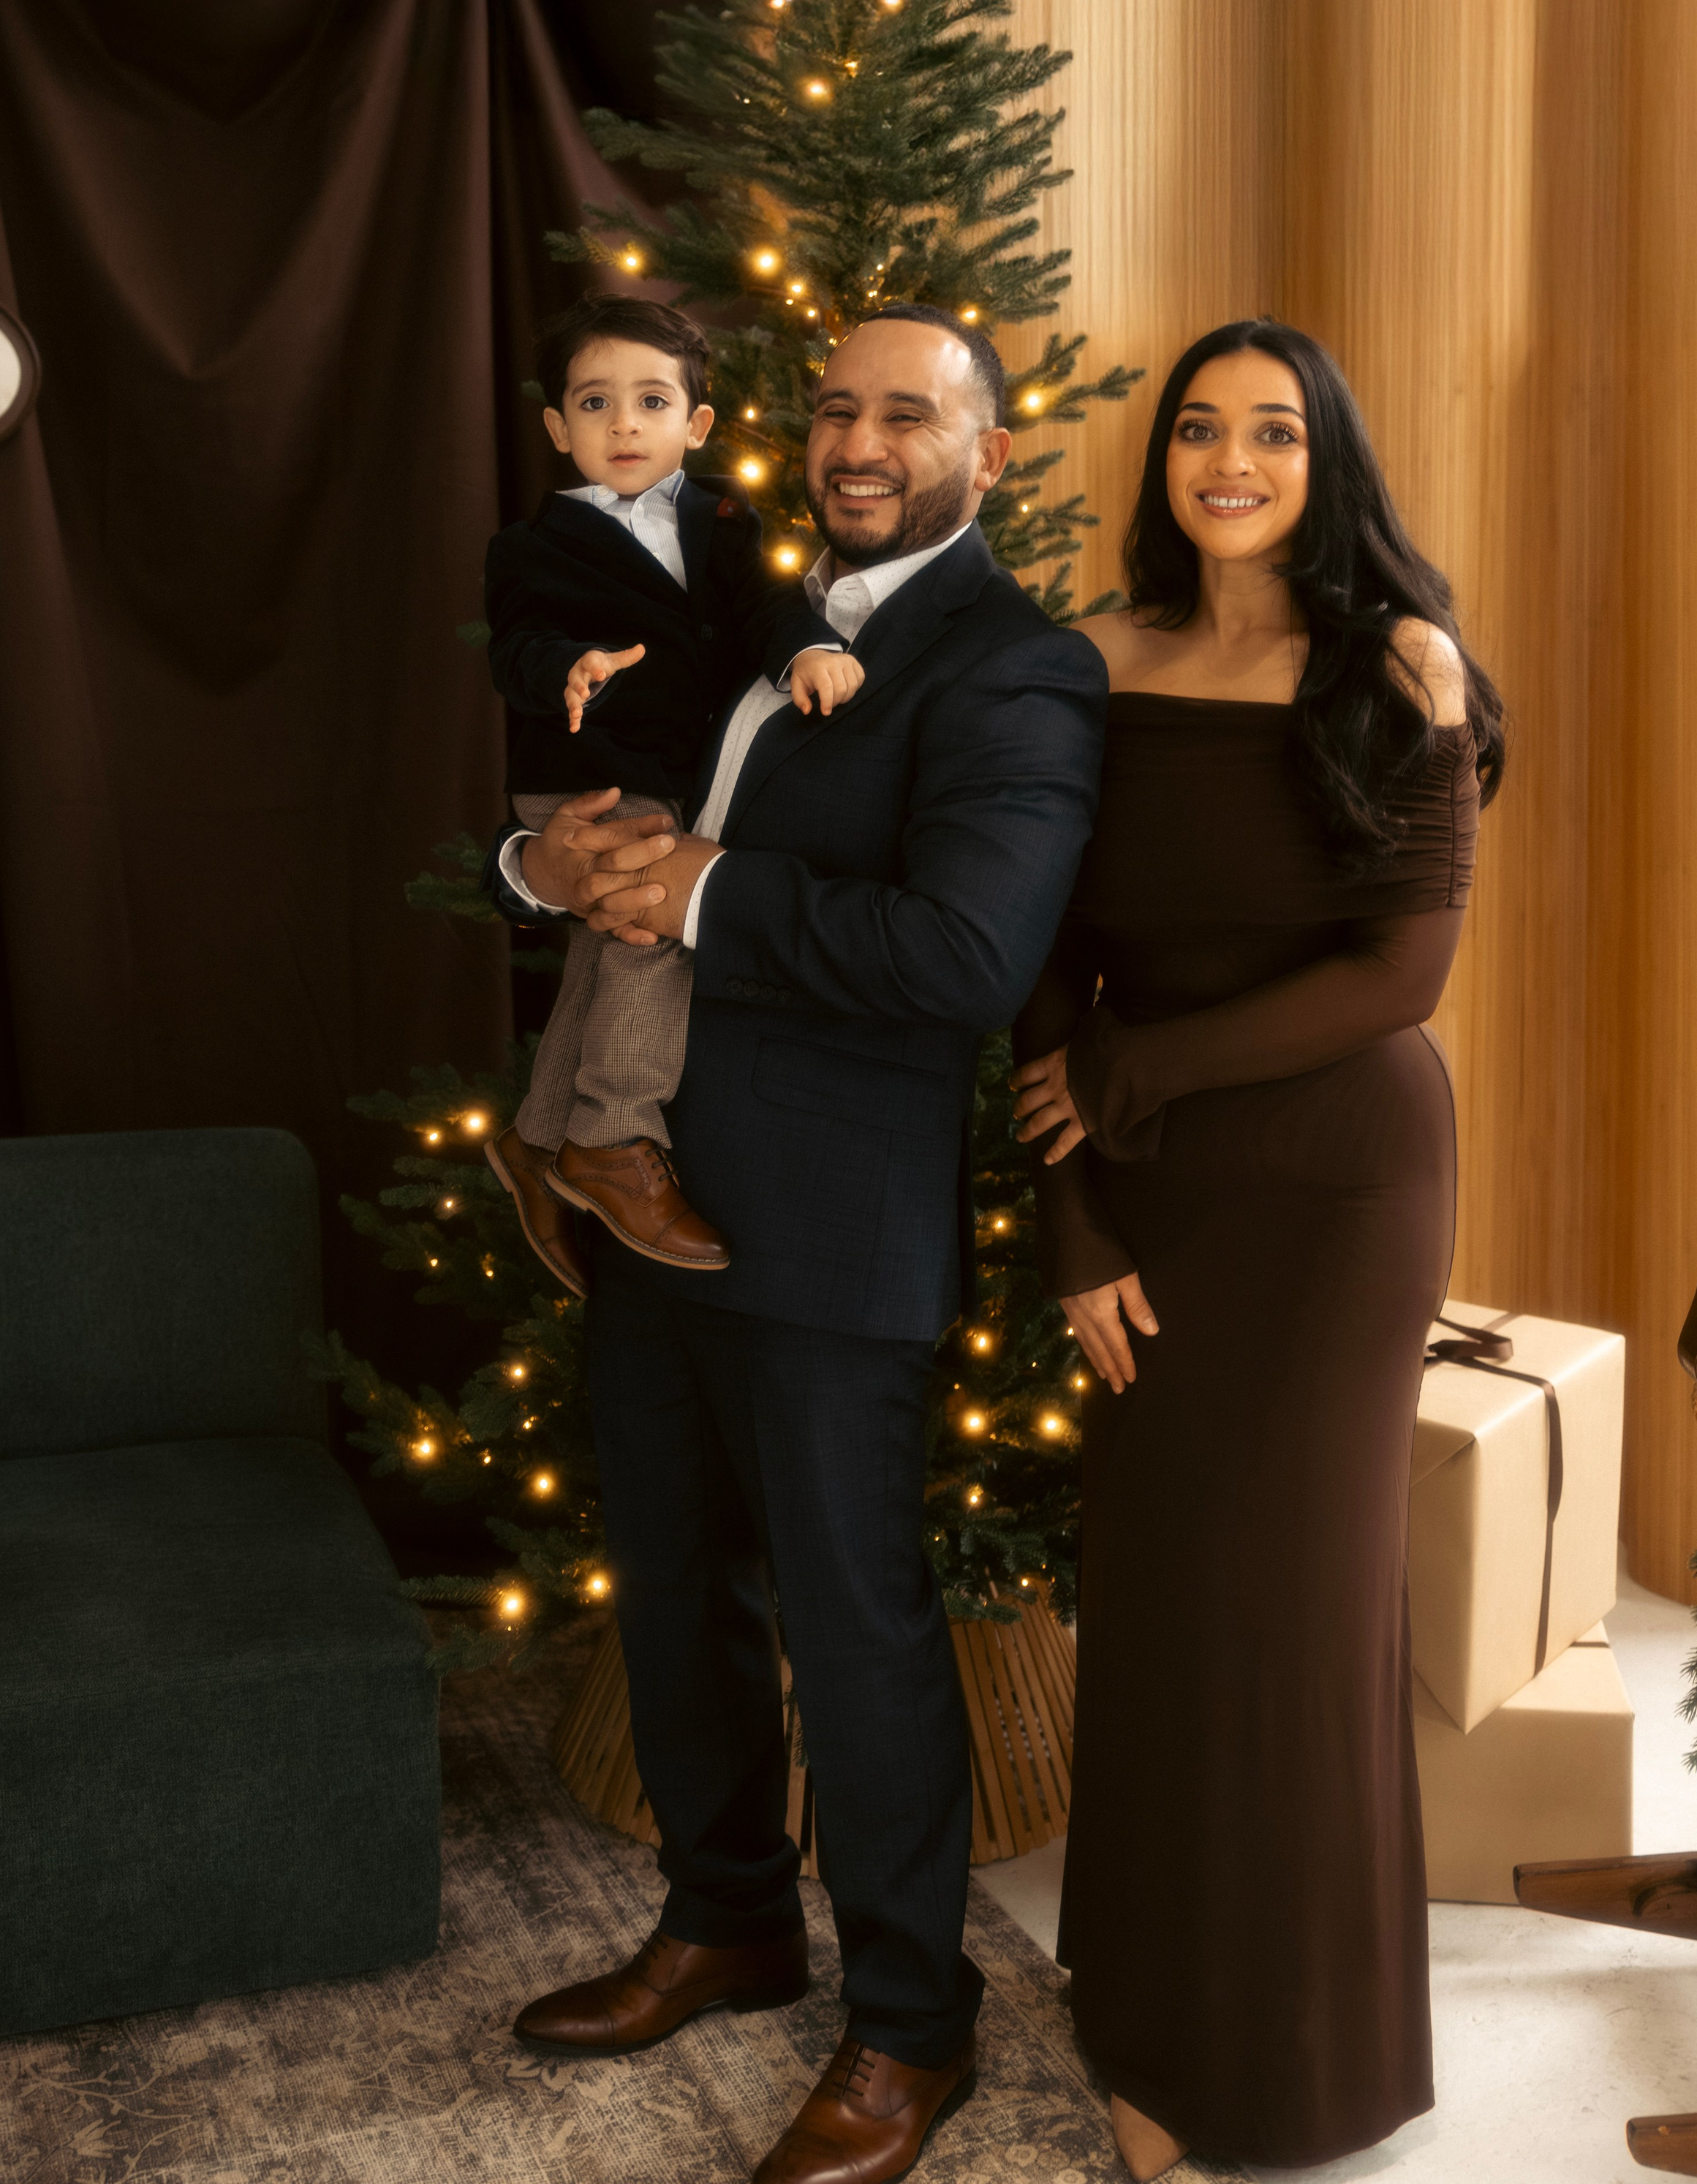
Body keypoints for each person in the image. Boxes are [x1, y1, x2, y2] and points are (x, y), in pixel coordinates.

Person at [488, 304, 1107, 2184]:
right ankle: (728, 1919)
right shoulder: (752, 612)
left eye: (903, 415)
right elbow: (604, 816)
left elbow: (963, 962)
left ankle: (913, 2023)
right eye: (832, 408)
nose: (857, 441)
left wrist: (710, 893)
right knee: (672, 1592)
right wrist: (549, 868)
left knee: (854, 1630)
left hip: (831, 1227)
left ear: (981, 454)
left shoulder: (1014, 667)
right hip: (645, 1202)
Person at [1011, 319, 1504, 2179]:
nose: (1230, 459)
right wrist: (1073, 1222)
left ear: (1324, 462)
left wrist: (1131, 1072)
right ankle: (1142, 2017)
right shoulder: (1085, 663)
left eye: (1272, 432)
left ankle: (1286, 2069)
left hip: (1336, 1184)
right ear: (1162, 467)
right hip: (1140, 1184)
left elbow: (1403, 969)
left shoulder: (1394, 662)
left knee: (1292, 1613)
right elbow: (1038, 963)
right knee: (1154, 1585)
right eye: (1198, 430)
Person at [483, 292, 861, 1286]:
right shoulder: (530, 546)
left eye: (650, 403)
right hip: (586, 781)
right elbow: (517, 644)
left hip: (681, 777)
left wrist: (809, 650)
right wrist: (566, 668)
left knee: (607, 952)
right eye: (596, 405)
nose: (623, 425)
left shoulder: (727, 517)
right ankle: (609, 1133)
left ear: (694, 425)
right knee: (652, 924)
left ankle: (535, 1137)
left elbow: (767, 607)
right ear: (560, 428)